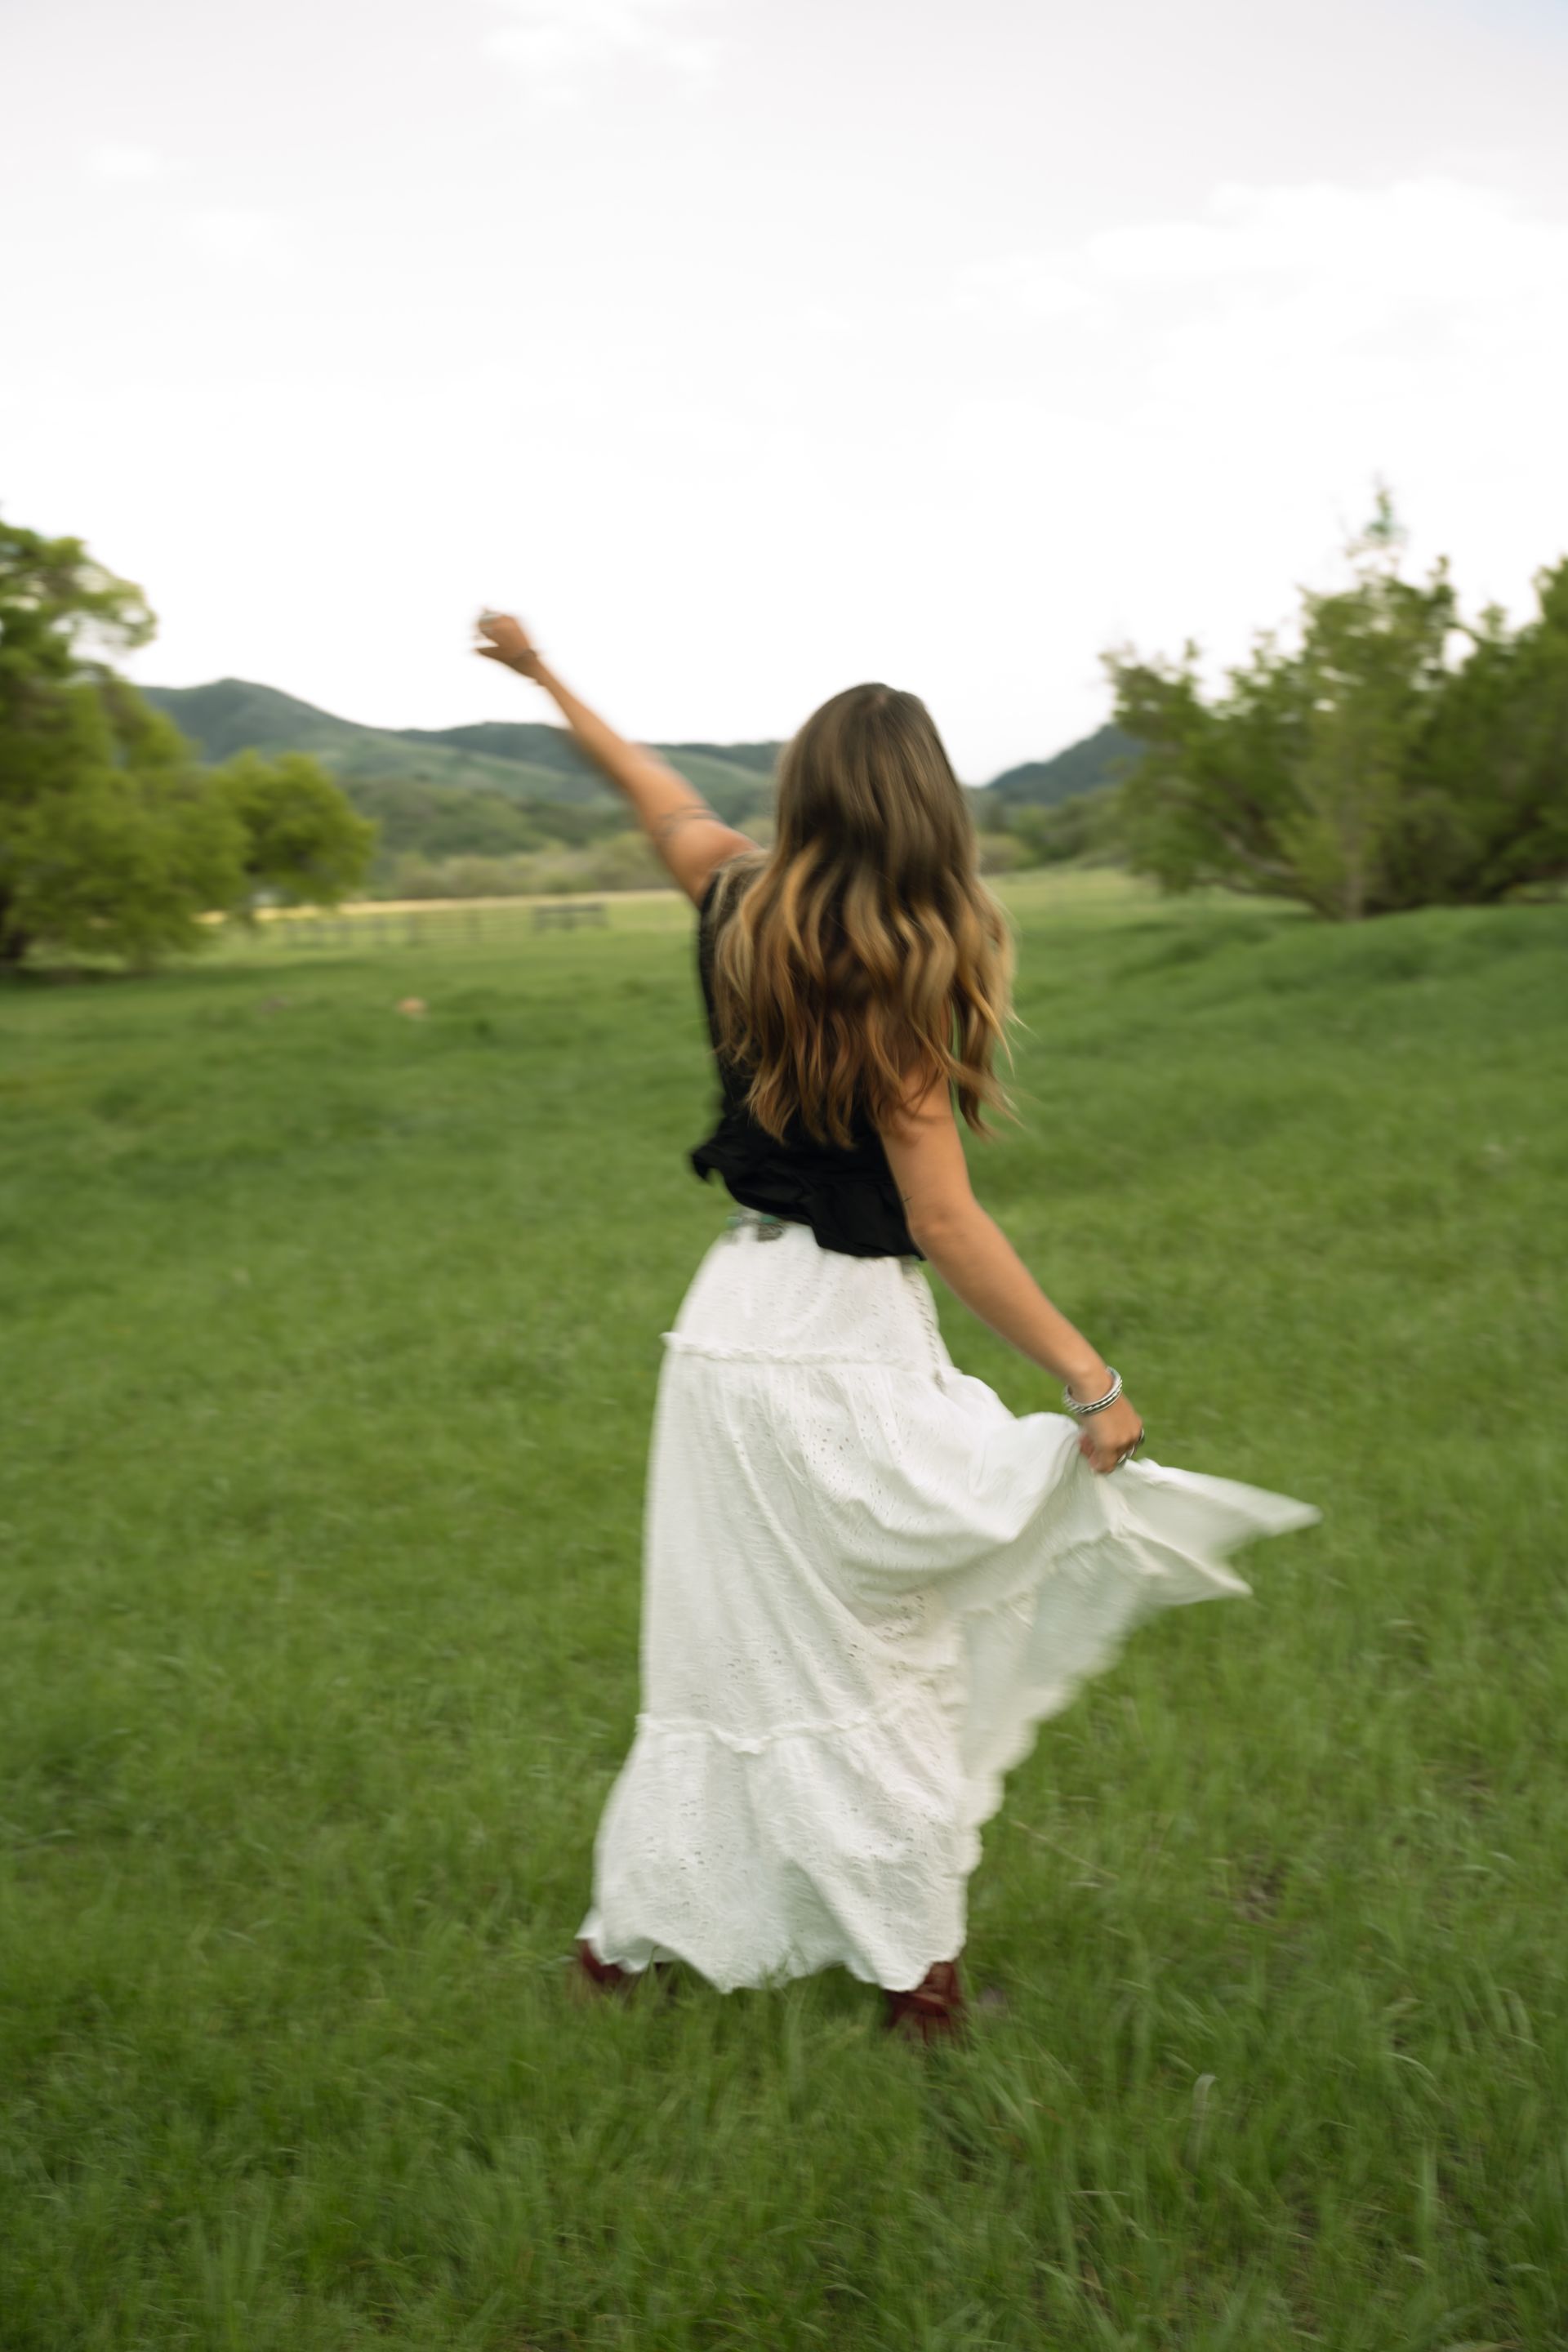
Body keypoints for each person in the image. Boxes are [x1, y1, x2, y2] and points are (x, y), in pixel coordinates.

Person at [475, 610, 1319, 2047]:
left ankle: (623, 1951)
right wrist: (1090, 1379)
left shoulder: (735, 901)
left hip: (725, 1330)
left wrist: (548, 677)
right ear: (930, 815)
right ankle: (914, 1982)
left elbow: (660, 798)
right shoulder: (904, 975)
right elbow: (947, 1223)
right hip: (841, 1339)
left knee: (725, 1659)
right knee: (882, 1659)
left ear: (803, 797)